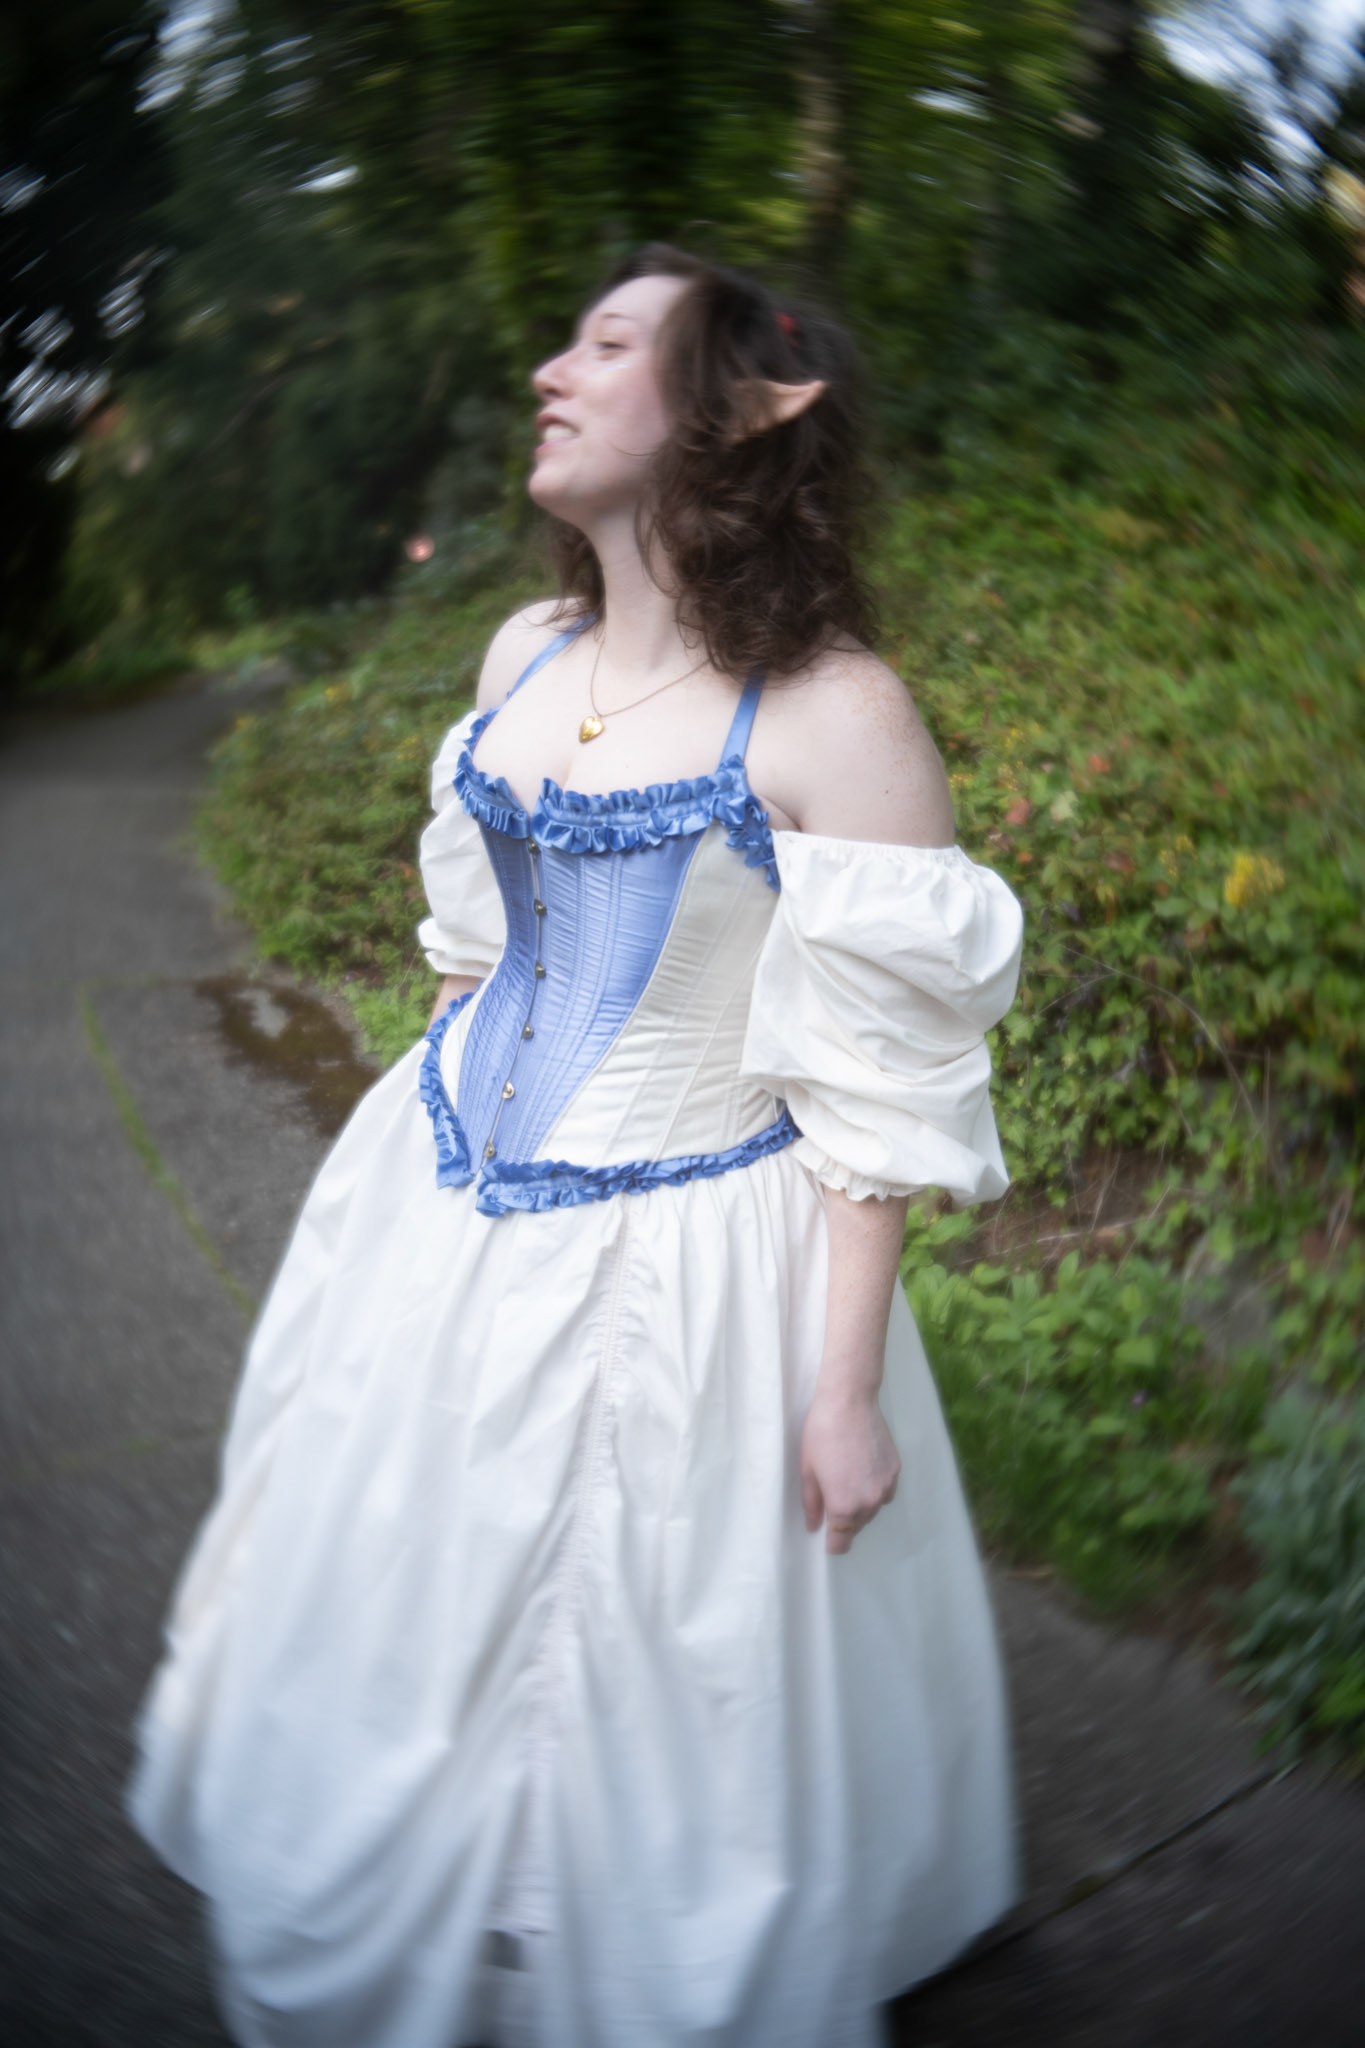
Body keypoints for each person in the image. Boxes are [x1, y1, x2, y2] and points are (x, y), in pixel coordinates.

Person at [128, 243, 1025, 2048]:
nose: (550, 370)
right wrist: (433, 1175)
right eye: (563, 338)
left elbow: (877, 1084)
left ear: (744, 409)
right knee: (413, 1556)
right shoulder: (523, 654)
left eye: (608, 343)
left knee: (657, 1635)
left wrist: (839, 1390)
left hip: (691, 1249)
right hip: (438, 1198)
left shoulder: (838, 713)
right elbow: (475, 957)